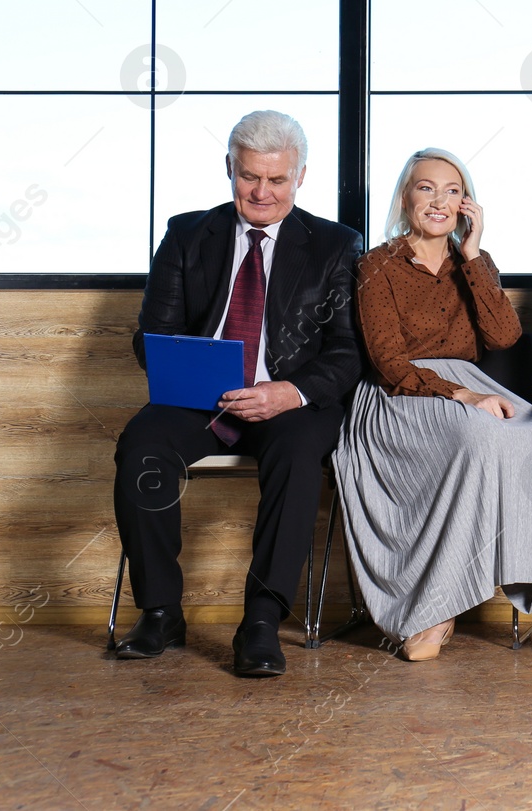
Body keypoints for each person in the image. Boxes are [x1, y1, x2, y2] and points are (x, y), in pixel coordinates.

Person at [112, 110, 362, 677]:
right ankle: (160, 612)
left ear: (300, 177)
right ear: (230, 168)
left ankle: (260, 623)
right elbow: (150, 336)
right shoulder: (186, 234)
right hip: (202, 398)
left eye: (277, 180)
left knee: (298, 458)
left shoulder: (336, 245)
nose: (262, 192)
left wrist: (289, 391)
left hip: (288, 399)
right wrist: (187, 371)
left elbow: (349, 353)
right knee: (141, 448)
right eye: (250, 177)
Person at [332, 149, 532, 662]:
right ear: (404, 197)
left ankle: (522, 574)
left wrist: (473, 254)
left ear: (467, 203)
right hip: (401, 392)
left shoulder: (474, 264)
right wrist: (460, 394)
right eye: (426, 188)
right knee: (478, 433)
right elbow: (388, 360)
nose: (439, 200)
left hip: (473, 383)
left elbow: (504, 336)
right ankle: (436, 608)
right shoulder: (377, 264)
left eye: (453, 190)